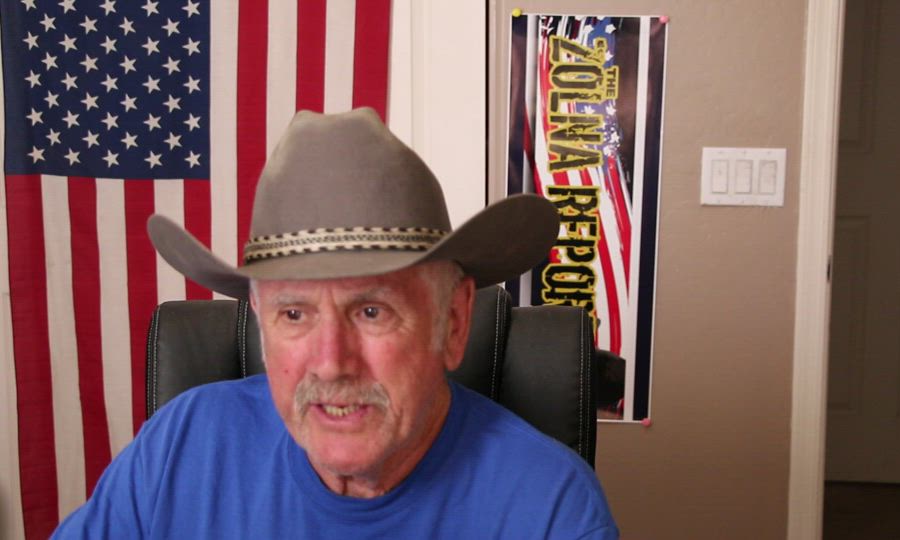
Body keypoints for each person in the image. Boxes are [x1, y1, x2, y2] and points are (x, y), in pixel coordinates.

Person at [54, 108, 619, 538]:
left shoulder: (551, 509)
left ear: (452, 322)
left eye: (372, 311)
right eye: (294, 314)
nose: (330, 362)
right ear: (260, 323)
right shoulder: (178, 447)